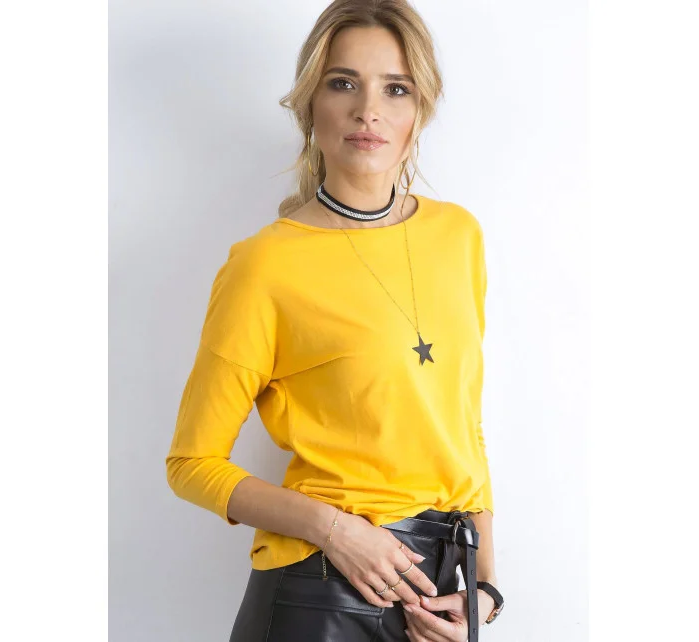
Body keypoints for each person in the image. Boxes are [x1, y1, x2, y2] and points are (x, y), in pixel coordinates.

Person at [165, 1, 504, 640]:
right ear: (309, 104)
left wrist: (483, 589)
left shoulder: (459, 236)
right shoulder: (265, 263)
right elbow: (192, 462)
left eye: (395, 88)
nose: (368, 110)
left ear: (420, 109)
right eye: (343, 83)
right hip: (318, 592)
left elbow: (463, 426)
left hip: (436, 597)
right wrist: (336, 530)